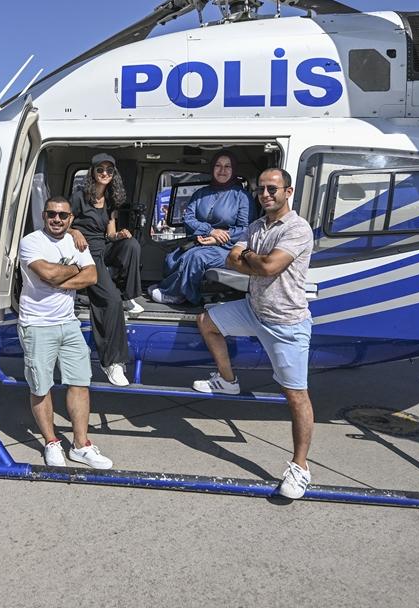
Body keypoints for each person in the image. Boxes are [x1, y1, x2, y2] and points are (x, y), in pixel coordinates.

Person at [193, 167, 315, 499]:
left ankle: (300, 467)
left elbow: (269, 267)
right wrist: (251, 258)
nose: (266, 194)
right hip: (253, 310)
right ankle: (228, 380)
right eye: (261, 189)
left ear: (288, 192)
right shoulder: (257, 225)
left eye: (273, 189)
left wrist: (250, 258)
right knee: (207, 321)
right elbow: (234, 259)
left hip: (285, 322)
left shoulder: (297, 229)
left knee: (296, 396)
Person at [17, 196, 114, 469]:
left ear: (71, 218)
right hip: (37, 324)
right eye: (51, 214)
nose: (57, 219)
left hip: (68, 322)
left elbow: (92, 277)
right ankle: (51, 442)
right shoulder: (31, 241)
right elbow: (46, 273)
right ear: (44, 215)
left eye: (63, 215)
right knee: (41, 386)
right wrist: (74, 268)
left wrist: (62, 276)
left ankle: (81, 445)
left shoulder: (75, 240)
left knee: (80, 383)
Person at [68, 153, 142, 388]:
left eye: (109, 171)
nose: (105, 174)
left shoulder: (109, 201)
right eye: (101, 169)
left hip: (103, 247)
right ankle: (111, 362)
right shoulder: (79, 197)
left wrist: (119, 235)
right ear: (93, 172)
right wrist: (75, 232)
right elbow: (61, 226)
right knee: (110, 301)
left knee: (131, 245)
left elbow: (110, 233)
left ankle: (129, 296)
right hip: (85, 253)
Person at [148, 150, 251, 306]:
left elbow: (245, 229)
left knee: (196, 257)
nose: (222, 170)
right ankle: (168, 287)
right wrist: (209, 231)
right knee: (172, 258)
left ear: (233, 170)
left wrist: (218, 239)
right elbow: (188, 219)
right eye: (218, 165)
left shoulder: (241, 196)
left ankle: (180, 296)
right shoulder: (200, 193)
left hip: (228, 248)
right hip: (201, 239)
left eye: (227, 166)